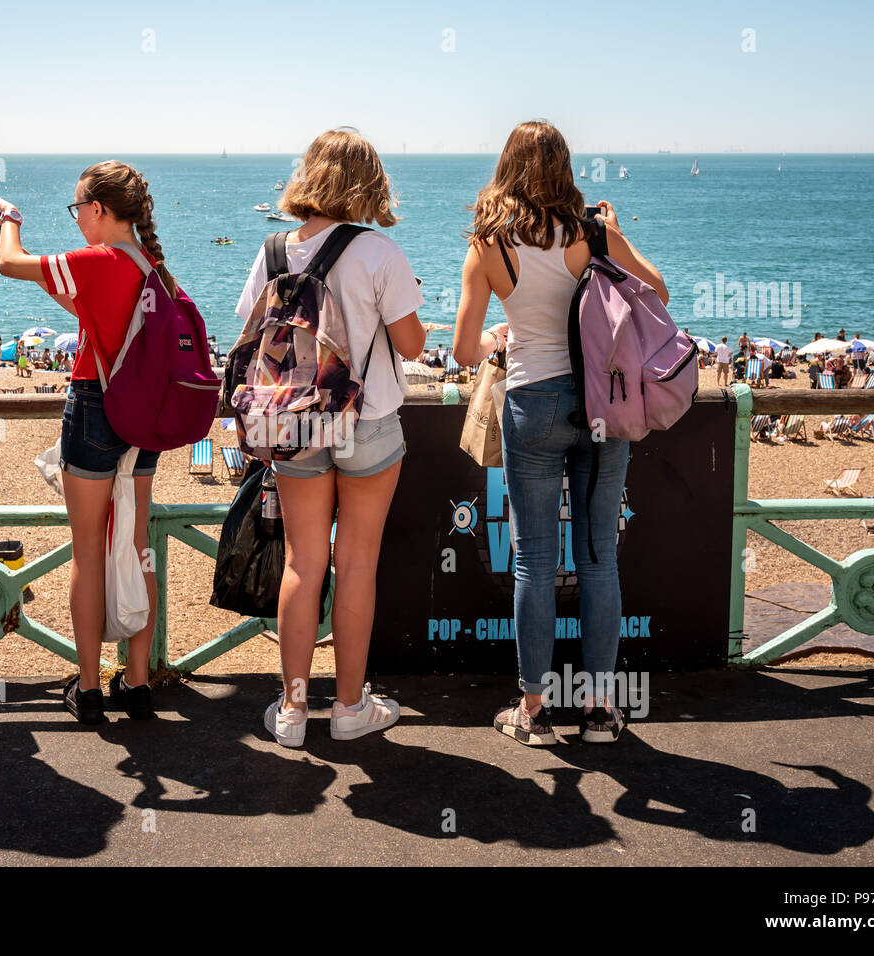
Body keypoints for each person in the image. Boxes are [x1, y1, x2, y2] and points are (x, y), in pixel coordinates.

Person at [453, 120, 668, 746]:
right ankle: (601, 711)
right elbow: (657, 290)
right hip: (603, 403)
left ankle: (533, 712)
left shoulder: (489, 245)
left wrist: (502, 336)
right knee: (600, 560)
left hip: (532, 405)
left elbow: (466, 350)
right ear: (565, 168)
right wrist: (617, 237)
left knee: (535, 564)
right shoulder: (593, 234)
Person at [236, 128, 426, 747]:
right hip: (367, 420)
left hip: (294, 424)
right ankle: (349, 708)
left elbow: (250, 332)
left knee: (303, 562)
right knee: (357, 564)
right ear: (368, 183)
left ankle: (292, 712)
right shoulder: (379, 252)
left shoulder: (272, 250)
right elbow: (414, 345)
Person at [0, 160, 177, 724]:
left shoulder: (98, 261)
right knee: (138, 540)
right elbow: (94, 313)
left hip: (96, 406)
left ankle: (90, 688)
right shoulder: (154, 270)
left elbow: (8, 263)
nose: (76, 221)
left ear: (98, 210)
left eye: (78, 210)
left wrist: (9, 221)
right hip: (145, 414)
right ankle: (138, 683)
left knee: (89, 548)